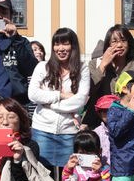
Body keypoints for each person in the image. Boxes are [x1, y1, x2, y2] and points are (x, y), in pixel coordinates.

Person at [29, 28, 89, 169]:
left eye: (65, 44)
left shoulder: (82, 68)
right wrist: (60, 95)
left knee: (68, 177)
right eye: (57, 44)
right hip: (42, 129)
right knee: (43, 175)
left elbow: (80, 100)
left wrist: (50, 105)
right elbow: (33, 95)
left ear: (73, 46)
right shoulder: (42, 67)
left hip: (69, 132)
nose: (60, 48)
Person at [84, 25, 134, 128]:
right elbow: (88, 90)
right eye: (114, 41)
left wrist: (130, 118)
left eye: (123, 40)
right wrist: (103, 65)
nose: (119, 45)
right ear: (108, 45)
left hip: (126, 127)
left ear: (129, 43)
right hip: (96, 125)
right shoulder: (95, 64)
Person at [92, 94, 117, 166]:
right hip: (101, 171)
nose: (109, 114)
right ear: (99, 114)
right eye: (105, 111)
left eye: (112, 111)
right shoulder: (96, 133)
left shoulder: (125, 130)